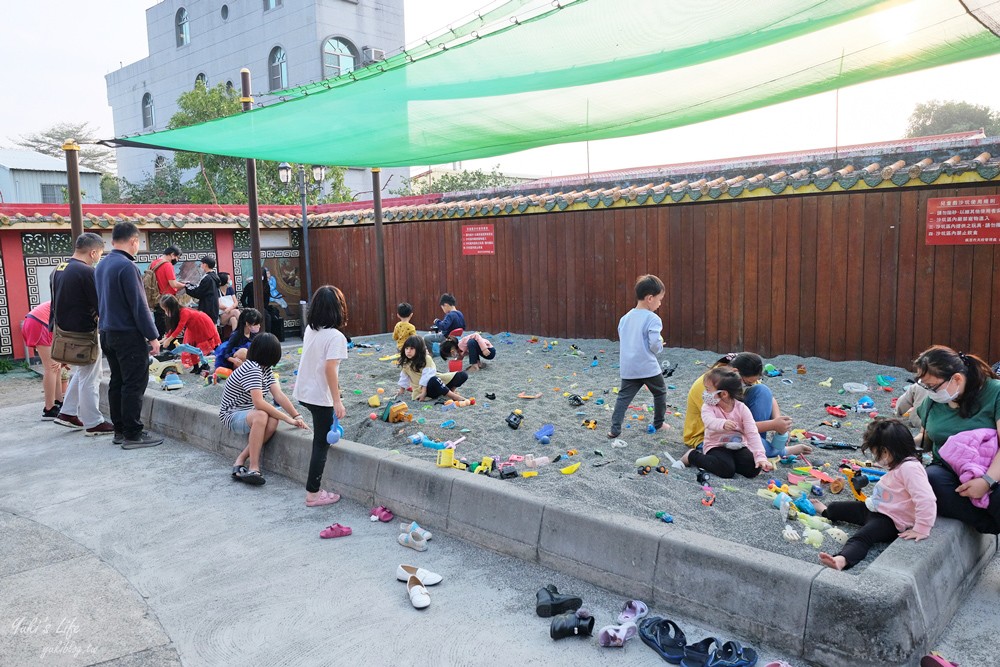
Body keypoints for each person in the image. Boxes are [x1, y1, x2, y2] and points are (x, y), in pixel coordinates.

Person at [812, 419, 936, 570]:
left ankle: (841, 560)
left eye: (876, 453)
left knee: (862, 537)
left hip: (891, 521)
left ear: (886, 451)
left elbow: (926, 499)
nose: (876, 458)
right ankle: (827, 511)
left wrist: (921, 528)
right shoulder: (900, 463)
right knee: (835, 508)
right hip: (875, 508)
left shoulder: (911, 468)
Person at [914, 345, 1000, 534]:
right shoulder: (933, 400)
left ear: (957, 378)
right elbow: (927, 439)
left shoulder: (995, 392)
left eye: (932, 386)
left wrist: (987, 481)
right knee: (929, 482)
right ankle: (988, 524)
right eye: (924, 385)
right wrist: (906, 445)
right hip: (949, 470)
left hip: (990, 468)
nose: (929, 391)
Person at [96, 221, 163, 449]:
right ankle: (133, 433)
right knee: (134, 383)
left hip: (107, 332)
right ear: (134, 241)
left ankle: (120, 430)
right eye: (139, 242)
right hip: (127, 335)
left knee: (118, 381)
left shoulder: (102, 265)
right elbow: (139, 305)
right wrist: (153, 336)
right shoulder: (127, 266)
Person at [682, 352, 810, 458]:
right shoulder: (710, 386)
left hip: (738, 425)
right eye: (748, 383)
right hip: (711, 434)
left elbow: (769, 398)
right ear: (736, 372)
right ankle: (778, 450)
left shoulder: (735, 376)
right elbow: (729, 427)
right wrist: (772, 425)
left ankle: (758, 443)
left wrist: (779, 422)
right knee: (761, 450)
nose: (749, 385)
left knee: (762, 390)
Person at [221, 332, 307, 485]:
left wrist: (297, 416)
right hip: (231, 414)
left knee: (273, 419)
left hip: (248, 412)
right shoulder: (252, 368)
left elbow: (278, 394)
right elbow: (259, 403)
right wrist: (287, 419)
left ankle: (241, 459)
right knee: (261, 415)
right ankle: (254, 467)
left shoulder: (265, 369)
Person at [51, 233, 115, 435]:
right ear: (93, 252)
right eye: (100, 254)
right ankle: (94, 422)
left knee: (81, 373)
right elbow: (99, 304)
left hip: (63, 331)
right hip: (84, 332)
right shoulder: (87, 272)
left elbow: (54, 303)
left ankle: (67, 413)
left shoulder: (59, 268)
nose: (98, 258)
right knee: (91, 376)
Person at [293, 286, 349, 507]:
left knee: (322, 434)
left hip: (304, 392)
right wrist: (337, 401)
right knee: (320, 444)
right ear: (339, 308)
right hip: (318, 395)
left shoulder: (311, 329)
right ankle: (313, 494)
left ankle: (313, 492)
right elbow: (329, 369)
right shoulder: (336, 336)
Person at [680, 367, 773, 479]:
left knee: (753, 469)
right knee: (726, 471)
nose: (705, 393)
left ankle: (730, 463)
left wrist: (760, 457)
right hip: (716, 445)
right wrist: (722, 424)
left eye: (708, 390)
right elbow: (708, 421)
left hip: (739, 445)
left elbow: (752, 432)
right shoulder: (708, 407)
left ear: (724, 394)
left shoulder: (742, 409)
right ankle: (691, 456)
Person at [607, 275, 667, 439]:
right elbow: (654, 344)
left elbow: (625, 339)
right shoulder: (653, 318)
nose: (660, 303)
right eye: (659, 299)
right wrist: (660, 344)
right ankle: (659, 423)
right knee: (660, 392)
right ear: (650, 298)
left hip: (629, 367)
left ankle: (614, 429)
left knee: (623, 398)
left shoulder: (625, 318)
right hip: (648, 367)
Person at [20, 301, 63, 420]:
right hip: (39, 323)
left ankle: (59, 401)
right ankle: (49, 409)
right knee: (51, 367)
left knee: (57, 366)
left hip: (37, 322)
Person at [159, 295, 221, 374]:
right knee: (191, 346)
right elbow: (175, 327)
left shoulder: (184, 312)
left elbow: (179, 328)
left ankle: (221, 360)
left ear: (171, 307)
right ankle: (196, 367)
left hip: (203, 325)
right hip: (193, 328)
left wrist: (168, 340)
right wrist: (166, 338)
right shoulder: (179, 312)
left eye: (166, 310)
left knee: (212, 344)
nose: (165, 312)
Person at [396, 335, 468, 403]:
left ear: (419, 349)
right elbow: (404, 377)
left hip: (436, 383)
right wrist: (401, 391)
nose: (408, 351)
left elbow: (426, 376)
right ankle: (454, 396)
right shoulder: (406, 362)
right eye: (406, 348)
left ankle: (449, 391)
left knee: (463, 375)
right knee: (434, 380)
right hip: (426, 390)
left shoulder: (426, 359)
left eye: (412, 348)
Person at [150, 246, 185, 338]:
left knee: (159, 324)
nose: (176, 260)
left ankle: (159, 347)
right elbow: (173, 284)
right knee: (171, 325)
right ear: (172, 254)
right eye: (177, 257)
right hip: (168, 299)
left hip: (156, 298)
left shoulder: (154, 263)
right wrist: (184, 285)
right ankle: (170, 347)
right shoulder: (167, 265)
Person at [184, 255, 221, 324]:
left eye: (201, 264)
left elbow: (198, 292)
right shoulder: (214, 277)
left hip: (207, 307)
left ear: (205, 265)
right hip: (213, 307)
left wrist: (187, 286)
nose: (200, 266)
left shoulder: (207, 278)